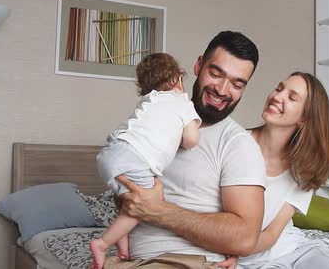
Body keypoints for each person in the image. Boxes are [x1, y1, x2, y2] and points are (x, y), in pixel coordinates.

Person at [106, 31, 267, 268]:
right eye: (215, 73)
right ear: (198, 65)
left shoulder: (238, 145)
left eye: (237, 84)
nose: (222, 90)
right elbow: (126, 187)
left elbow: (244, 238)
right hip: (134, 261)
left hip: (189, 262)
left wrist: (158, 211)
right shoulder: (155, 118)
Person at [218, 72, 329, 269]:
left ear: (304, 119)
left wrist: (241, 248)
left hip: (293, 251)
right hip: (245, 261)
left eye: (292, 97)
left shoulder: (305, 166)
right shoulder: (234, 145)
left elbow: (272, 234)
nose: (277, 96)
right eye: (279, 88)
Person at [90, 53, 202, 269]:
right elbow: (191, 140)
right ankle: (102, 244)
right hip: (135, 158)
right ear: (178, 79)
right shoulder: (182, 102)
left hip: (111, 152)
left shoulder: (150, 99)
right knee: (149, 201)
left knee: (129, 203)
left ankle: (122, 247)